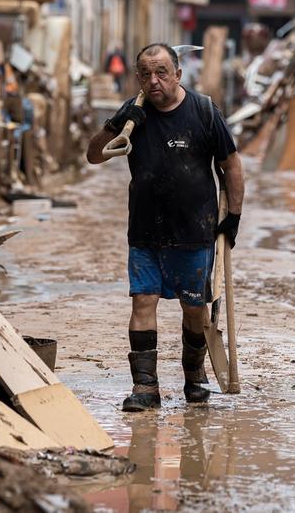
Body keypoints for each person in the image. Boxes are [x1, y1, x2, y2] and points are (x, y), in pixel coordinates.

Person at [86, 43, 245, 411]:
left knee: (194, 309)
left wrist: (232, 217)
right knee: (143, 301)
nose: (153, 80)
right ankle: (145, 388)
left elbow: (231, 166)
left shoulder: (204, 111)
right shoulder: (134, 114)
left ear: (177, 74)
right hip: (145, 231)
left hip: (194, 232)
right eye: (145, 74)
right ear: (138, 79)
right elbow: (93, 156)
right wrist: (119, 122)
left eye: (161, 72)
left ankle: (194, 377)